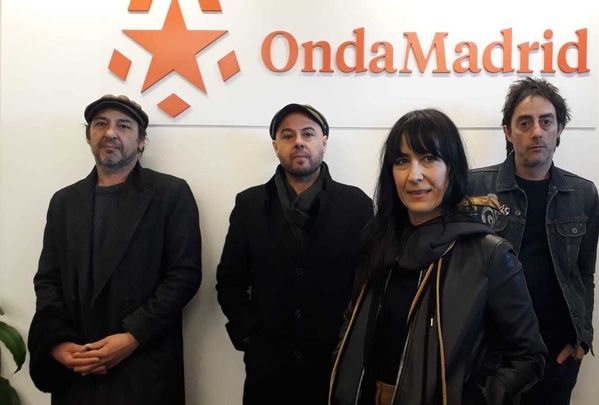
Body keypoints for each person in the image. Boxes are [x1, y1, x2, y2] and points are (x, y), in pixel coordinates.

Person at [329, 109, 546, 405]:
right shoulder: (378, 243)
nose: (414, 175)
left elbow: (528, 357)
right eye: (402, 161)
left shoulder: (489, 255)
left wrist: (475, 397)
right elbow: (352, 320)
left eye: (429, 158)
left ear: (452, 169)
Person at [28, 95, 202, 405]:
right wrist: (57, 342)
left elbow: (184, 276)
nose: (110, 133)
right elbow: (48, 280)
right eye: (100, 124)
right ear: (89, 136)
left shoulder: (170, 194)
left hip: (145, 365)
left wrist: (133, 336)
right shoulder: (64, 202)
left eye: (123, 126)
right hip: (78, 368)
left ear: (141, 141)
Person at [216, 103, 373, 404]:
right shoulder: (249, 204)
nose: (298, 142)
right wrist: (250, 337)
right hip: (268, 369)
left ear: (324, 142)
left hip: (335, 364)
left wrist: (351, 342)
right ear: (276, 146)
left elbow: (368, 283)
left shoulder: (357, 205)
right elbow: (230, 281)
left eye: (308, 134)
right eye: (287, 135)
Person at [468, 77, 599, 404]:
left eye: (546, 121)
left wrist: (582, 338)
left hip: (556, 357)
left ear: (559, 129)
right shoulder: (474, 189)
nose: (537, 132)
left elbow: (584, 273)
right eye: (524, 123)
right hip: (488, 356)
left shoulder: (583, 194)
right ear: (508, 132)